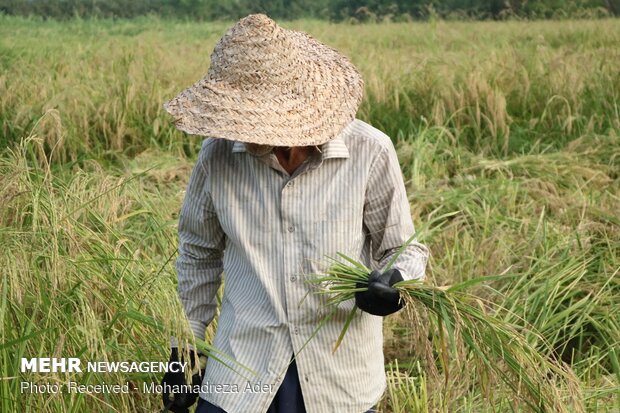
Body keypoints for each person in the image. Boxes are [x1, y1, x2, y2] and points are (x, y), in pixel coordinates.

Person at [160, 14, 429, 413]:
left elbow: (404, 249)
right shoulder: (217, 156)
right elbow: (198, 254)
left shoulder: (369, 151)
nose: (252, 132)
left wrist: (393, 284)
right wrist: (183, 350)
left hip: (338, 377)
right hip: (242, 370)